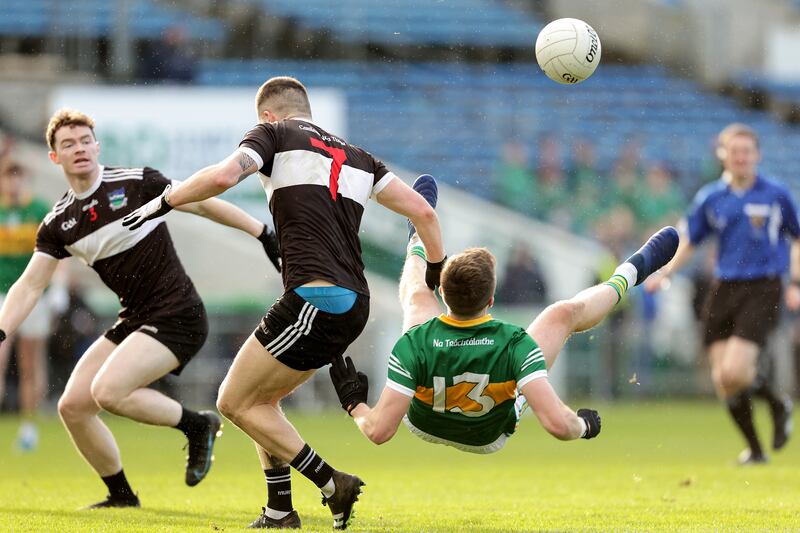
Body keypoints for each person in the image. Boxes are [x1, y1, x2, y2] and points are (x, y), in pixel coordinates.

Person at [121, 76, 445, 530]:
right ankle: (279, 511)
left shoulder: (272, 135)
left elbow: (223, 176)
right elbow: (424, 213)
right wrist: (434, 267)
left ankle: (333, 484)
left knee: (232, 402)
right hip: (353, 300)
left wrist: (166, 201)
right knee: (261, 401)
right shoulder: (360, 157)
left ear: (268, 115)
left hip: (316, 296)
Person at [0, 108, 282, 508]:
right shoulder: (59, 224)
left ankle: (197, 425)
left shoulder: (136, 182)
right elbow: (30, 285)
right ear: (54, 157)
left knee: (109, 391)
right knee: (74, 406)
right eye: (68, 144)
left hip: (178, 313)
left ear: (97, 147)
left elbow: (200, 202)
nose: (79, 149)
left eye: (84, 141)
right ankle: (121, 496)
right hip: (135, 319)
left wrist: (261, 231)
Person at [329, 176, 679, 457]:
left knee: (417, 295)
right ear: (492, 299)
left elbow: (377, 431)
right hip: (490, 435)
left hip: (423, 423)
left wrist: (354, 403)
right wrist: (584, 425)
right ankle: (630, 273)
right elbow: (559, 425)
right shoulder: (514, 343)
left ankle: (418, 237)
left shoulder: (413, 344)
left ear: (445, 294)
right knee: (562, 314)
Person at [645, 123, 798, 465]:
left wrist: (797, 283)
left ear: (757, 155)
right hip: (724, 287)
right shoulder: (711, 197)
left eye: (747, 152)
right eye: (734, 151)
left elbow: (797, 237)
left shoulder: (775, 193)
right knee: (723, 380)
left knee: (734, 372)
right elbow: (691, 241)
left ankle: (777, 403)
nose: (741, 157)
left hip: (764, 285)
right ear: (723, 155)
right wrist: (666, 272)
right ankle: (757, 449)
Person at [0, 157, 52, 451]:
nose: (13, 183)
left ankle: (29, 426)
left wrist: (55, 286)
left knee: (29, 363)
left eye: (17, 177)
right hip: (2, 293)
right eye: (8, 177)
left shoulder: (38, 210)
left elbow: (57, 251)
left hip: (33, 295)